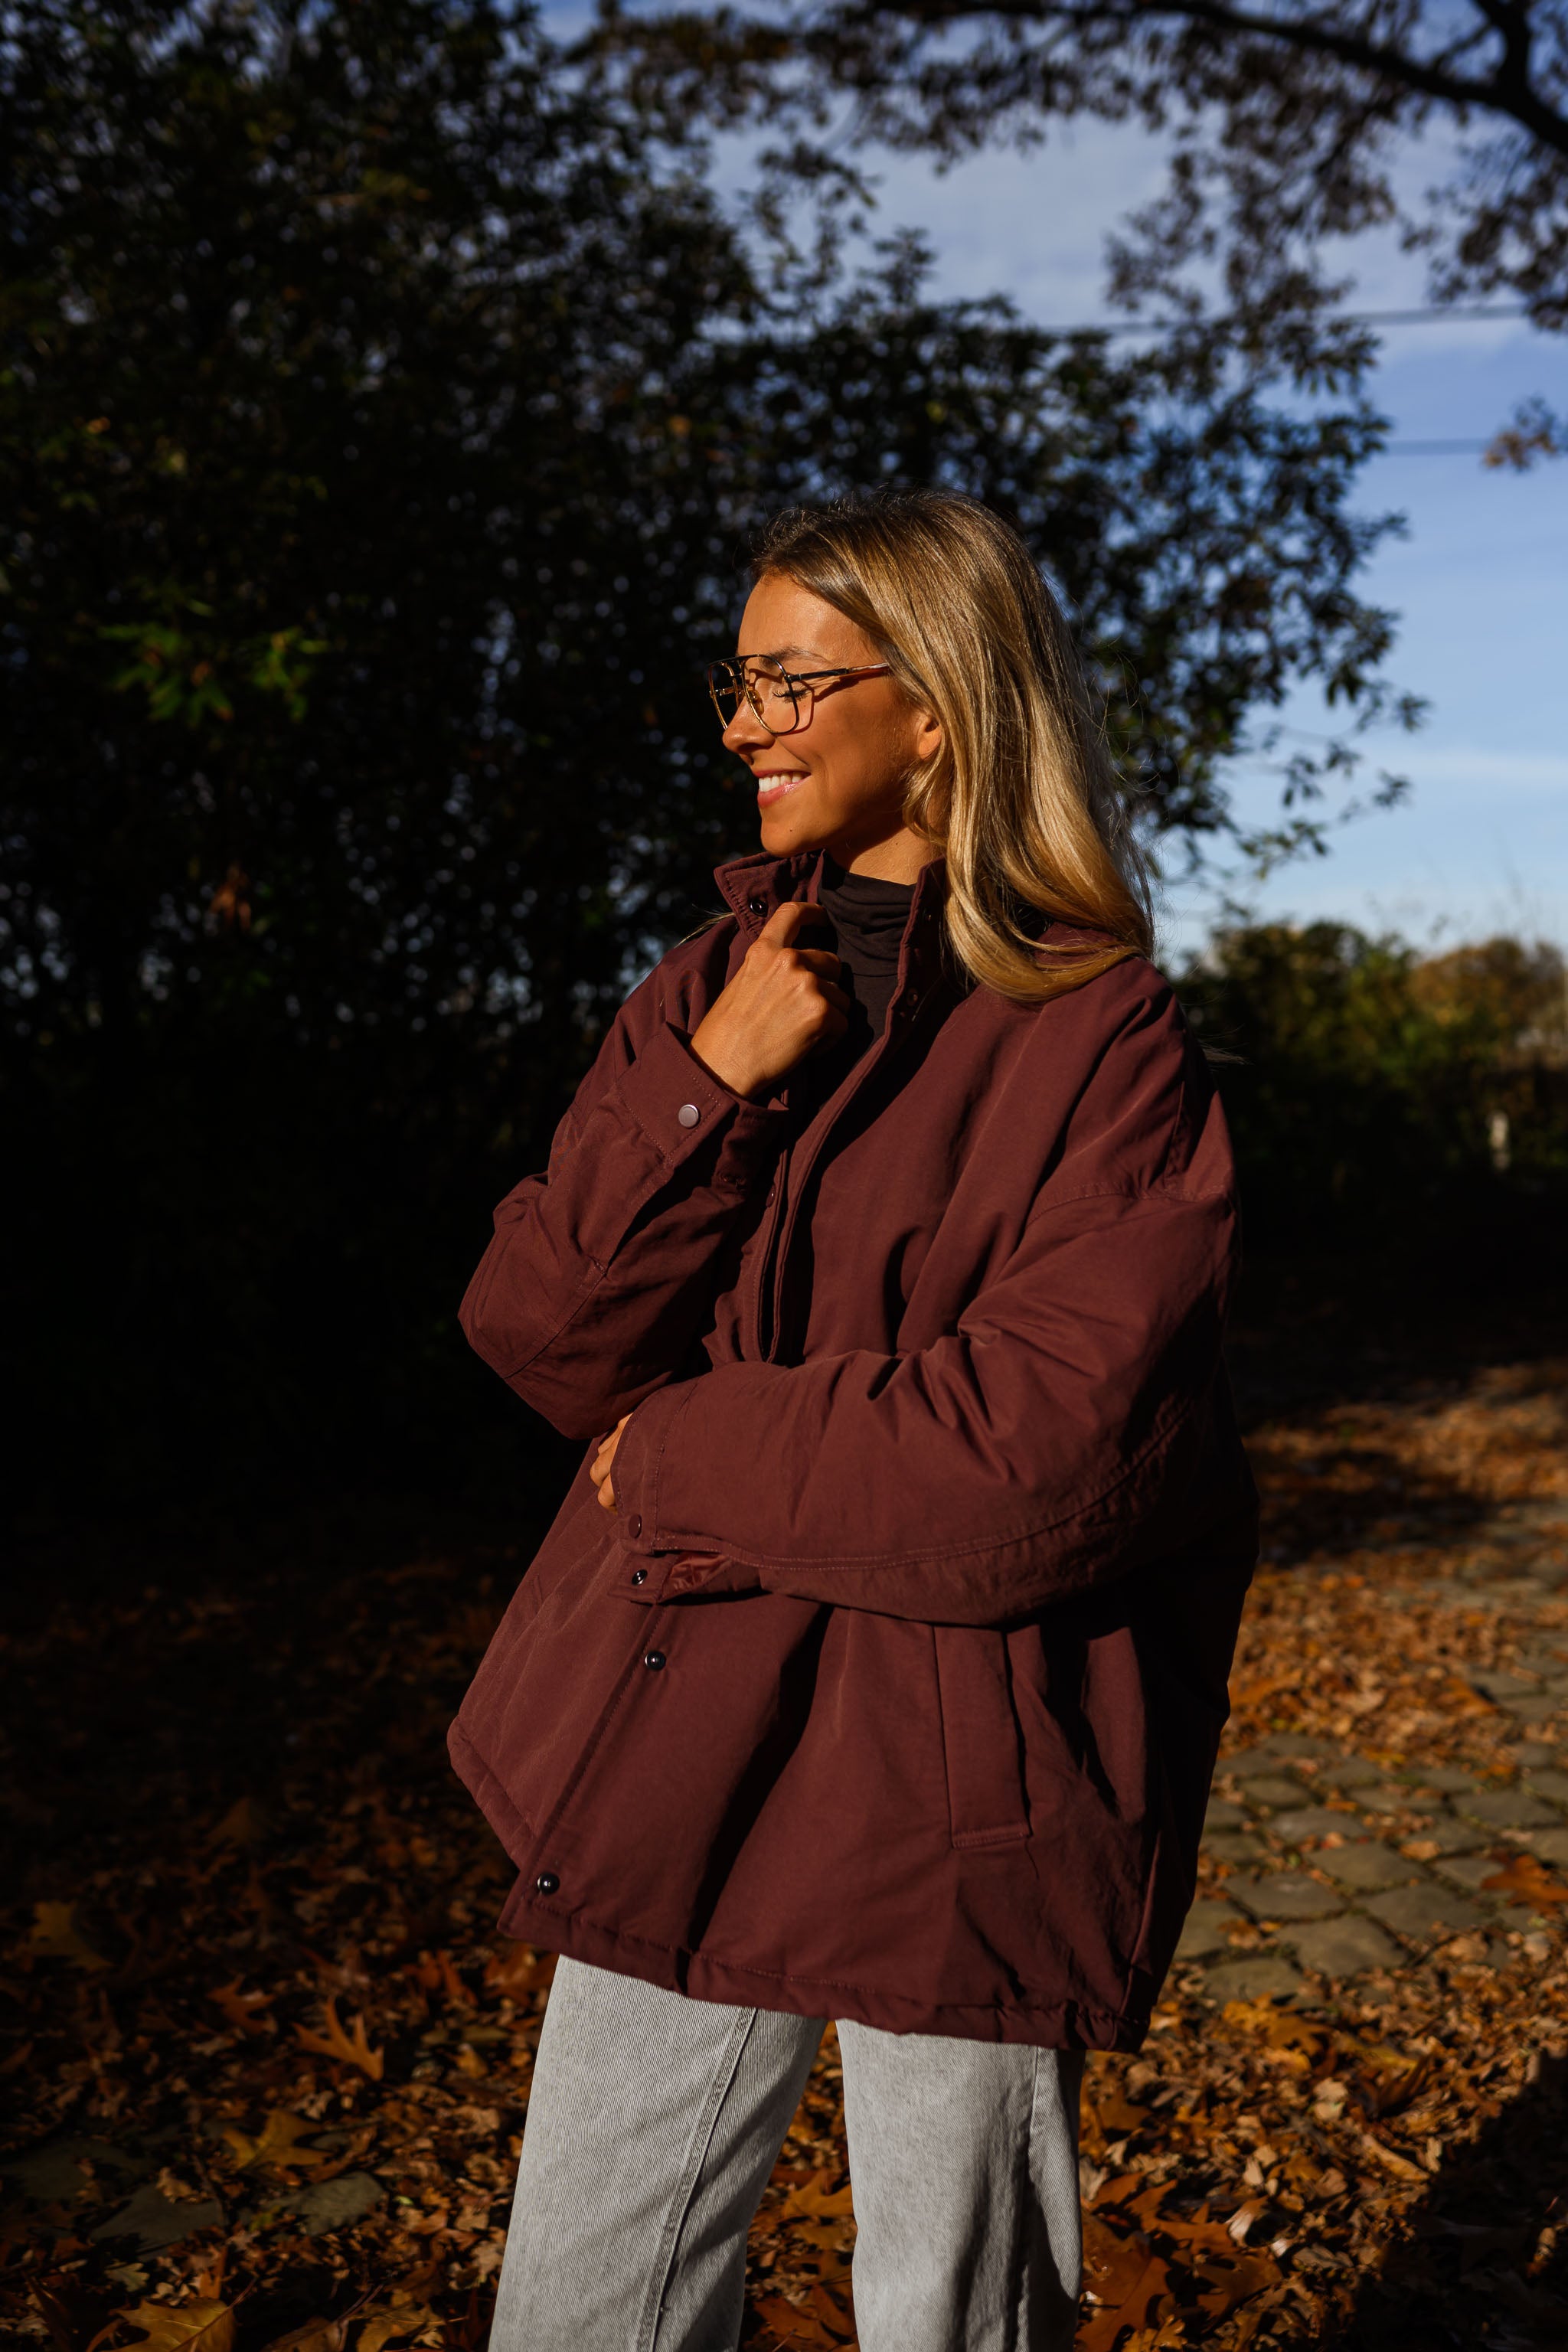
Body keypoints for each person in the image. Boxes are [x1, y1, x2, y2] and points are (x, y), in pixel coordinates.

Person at [451, 489, 1258, 2351]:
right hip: (686, 1738)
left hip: (966, 1782)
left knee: (956, 2322)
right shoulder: (712, 991)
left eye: (791, 680)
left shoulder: (1102, 1038)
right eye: (737, 683)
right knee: (581, 2315)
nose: (744, 724)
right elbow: (539, 1331)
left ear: (944, 702)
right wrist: (711, 1087)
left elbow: (1034, 1456)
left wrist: (678, 1453)